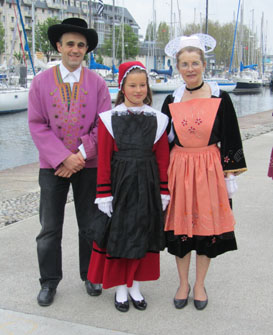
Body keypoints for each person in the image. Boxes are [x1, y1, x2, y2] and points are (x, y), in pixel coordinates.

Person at [28, 18, 111, 306]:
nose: (75, 49)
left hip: (87, 165)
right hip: (52, 166)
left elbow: (103, 126)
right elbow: (37, 125)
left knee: (90, 223)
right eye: (70, 44)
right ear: (59, 46)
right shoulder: (40, 82)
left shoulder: (98, 84)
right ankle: (49, 281)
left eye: (81, 45)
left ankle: (91, 274)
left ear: (86, 49)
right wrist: (62, 158)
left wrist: (79, 156)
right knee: (50, 226)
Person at [161, 34, 247, 310]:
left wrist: (229, 173)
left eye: (195, 62)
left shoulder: (220, 96)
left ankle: (200, 284)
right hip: (180, 167)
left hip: (209, 167)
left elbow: (231, 135)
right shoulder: (171, 99)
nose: (190, 68)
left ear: (203, 65)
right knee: (181, 227)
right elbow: (164, 140)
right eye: (184, 63)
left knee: (206, 227)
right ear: (178, 67)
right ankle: (183, 282)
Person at [86, 61, 170, 312]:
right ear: (122, 88)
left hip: (147, 181)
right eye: (132, 85)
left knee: (142, 234)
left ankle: (135, 285)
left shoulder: (159, 119)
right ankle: (121, 287)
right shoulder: (109, 119)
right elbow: (103, 159)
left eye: (142, 85)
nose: (138, 90)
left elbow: (162, 157)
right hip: (120, 184)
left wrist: (163, 190)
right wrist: (104, 193)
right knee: (120, 236)